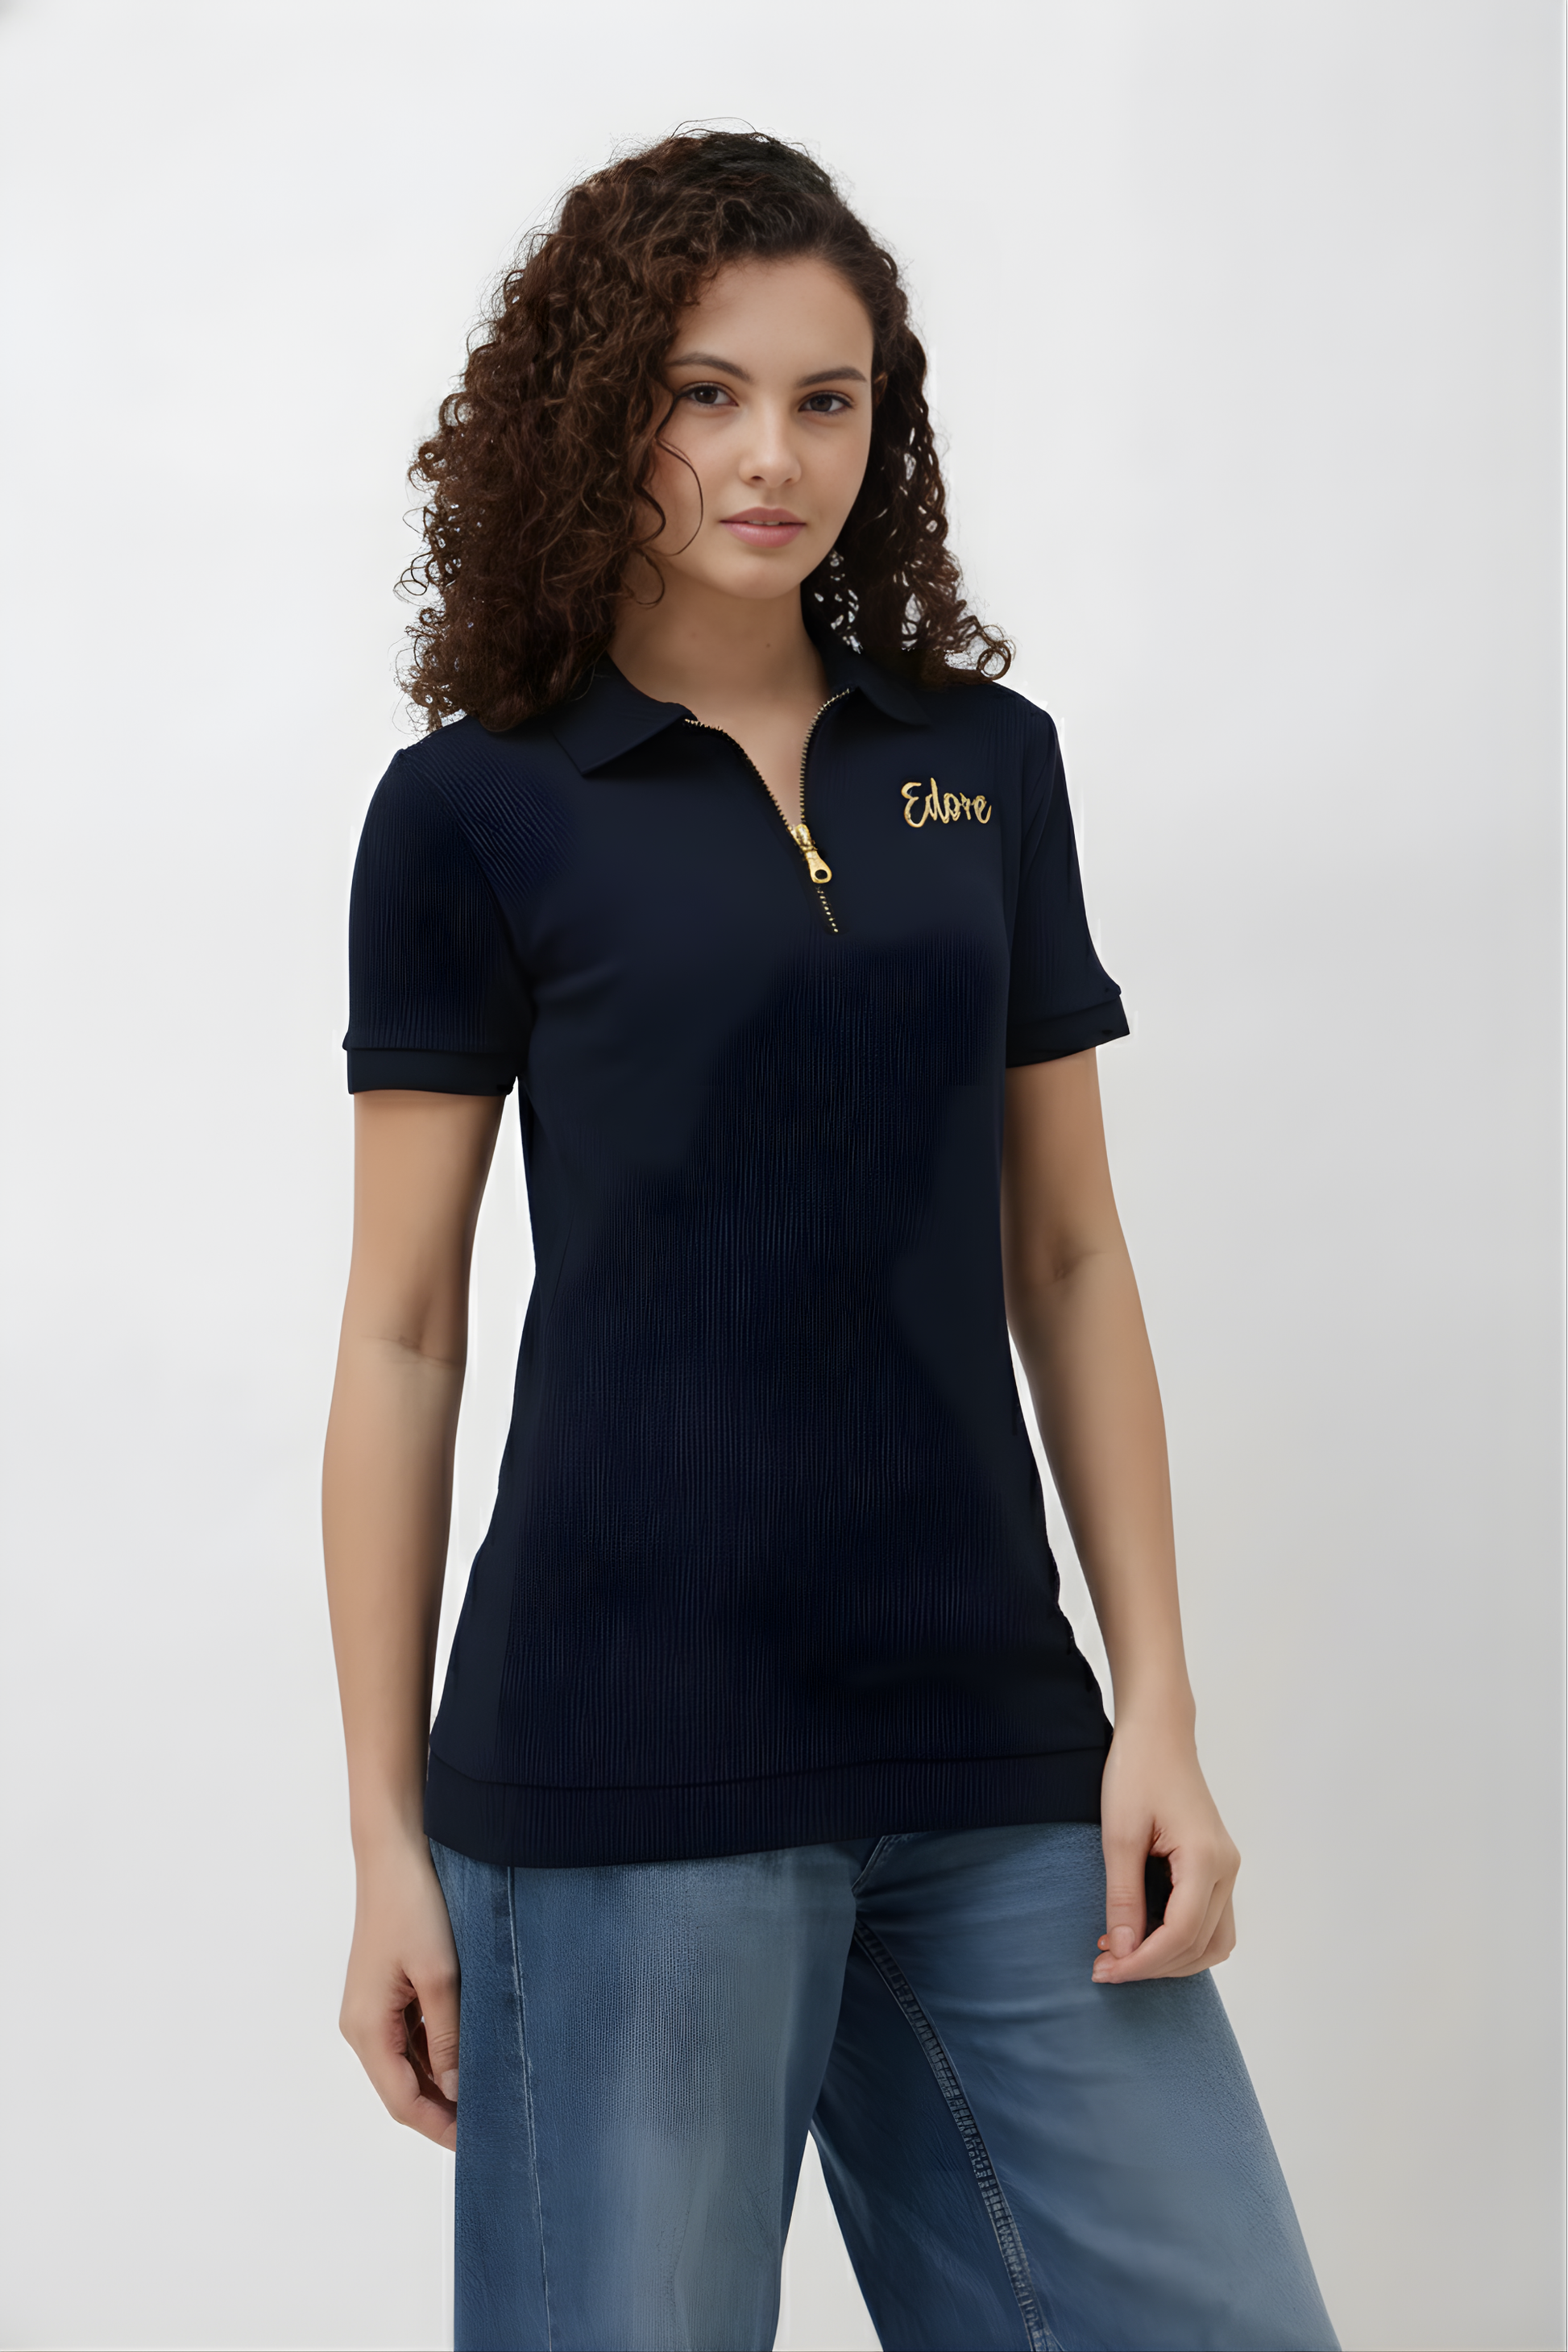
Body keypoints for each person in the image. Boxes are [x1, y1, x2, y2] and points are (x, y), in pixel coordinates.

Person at [322, 129, 1338, 2352]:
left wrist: (1156, 1709)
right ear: (601, 410)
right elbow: (402, 1335)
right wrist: (387, 1833)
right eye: (705, 394)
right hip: (620, 1780)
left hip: (993, 1751)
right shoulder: (476, 807)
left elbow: (1067, 1257)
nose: (772, 457)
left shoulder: (987, 766)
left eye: (826, 398)